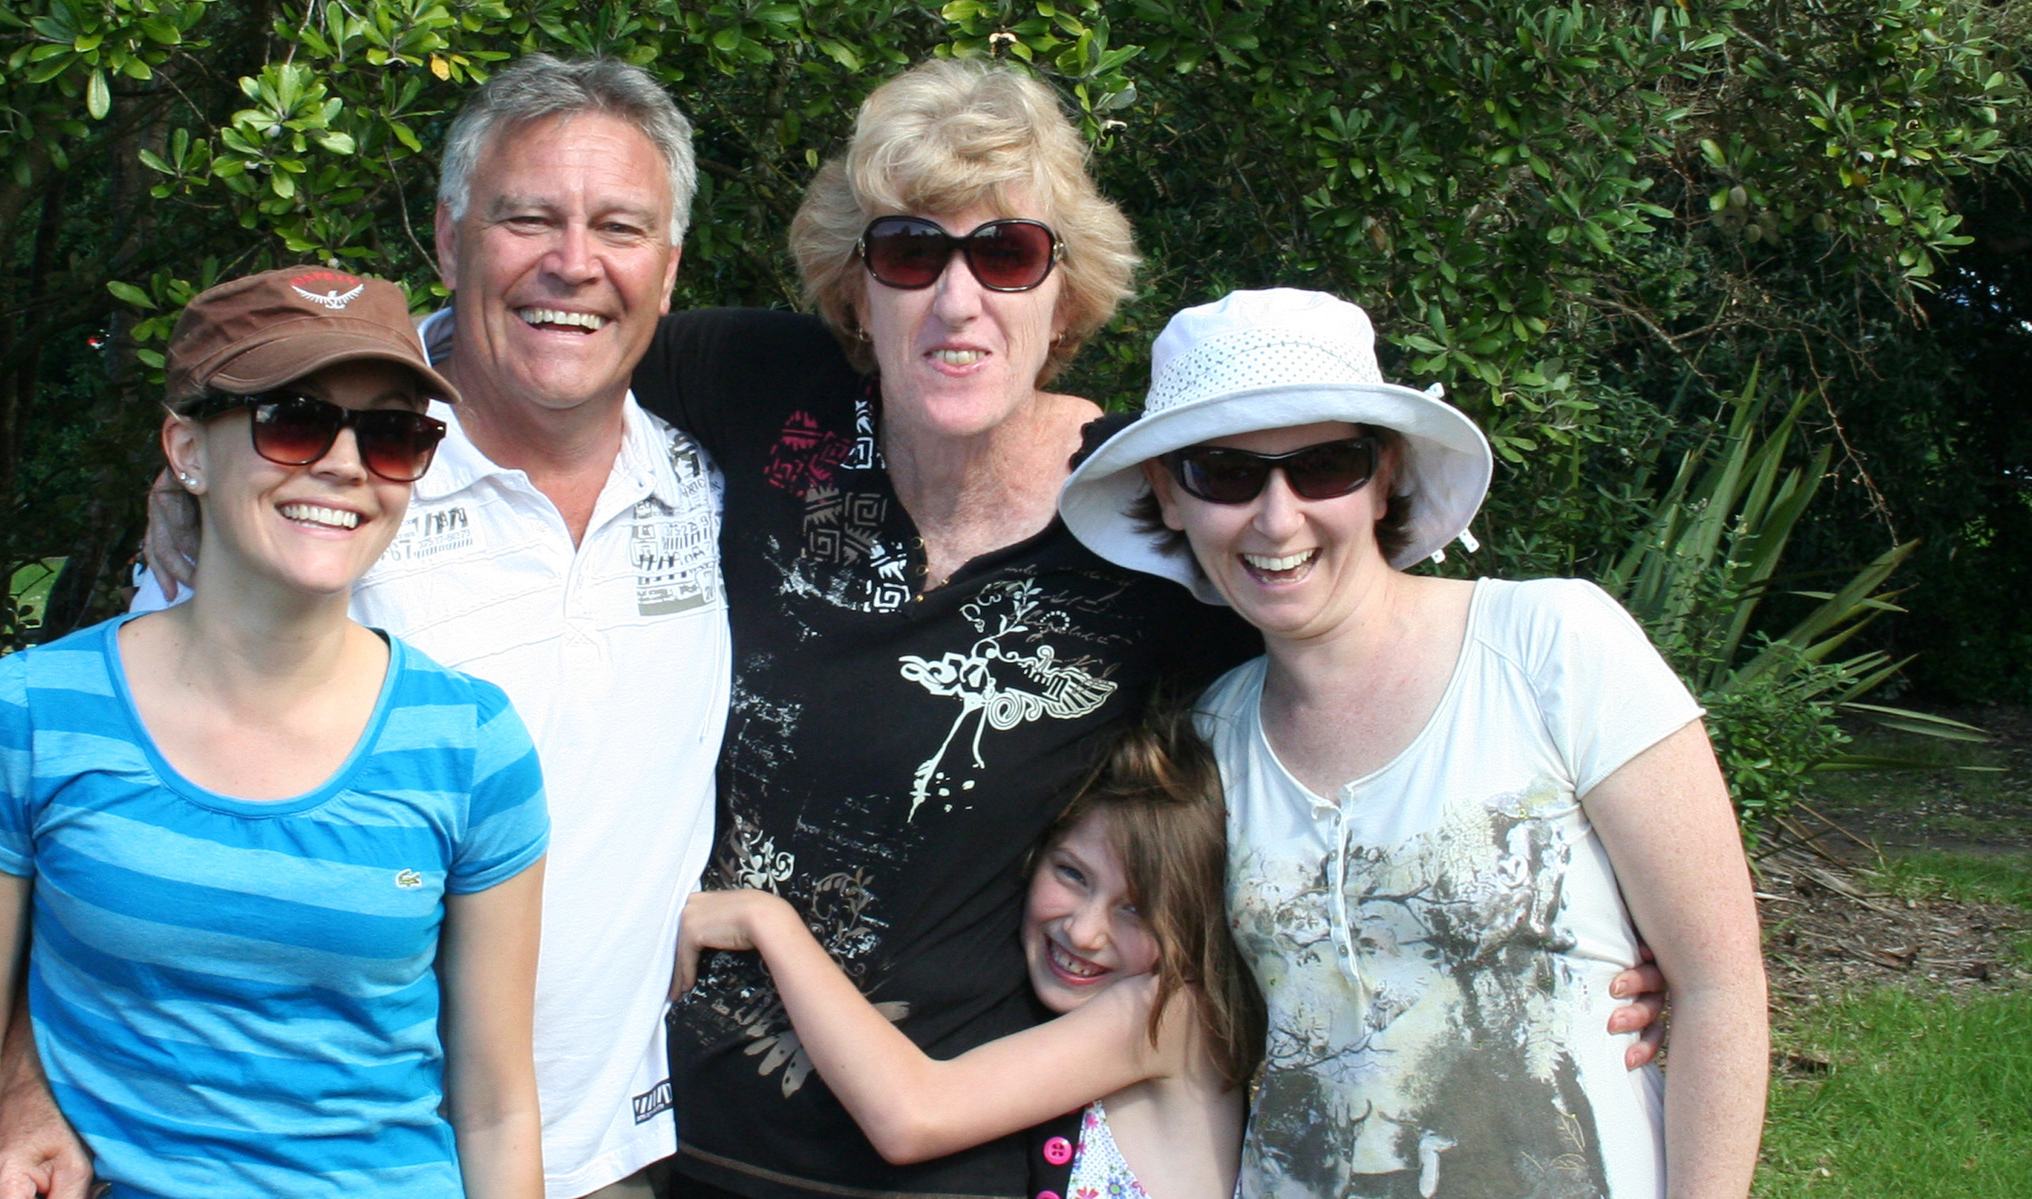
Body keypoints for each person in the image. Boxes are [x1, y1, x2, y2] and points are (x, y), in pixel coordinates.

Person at [630, 62, 1672, 1199]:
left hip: (945, 1164)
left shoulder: (1162, 513)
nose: (957, 297)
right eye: (911, 252)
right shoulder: (753, 385)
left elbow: (1354, 711)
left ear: (1063, 295)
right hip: (656, 1135)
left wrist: (1579, 930)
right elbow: (537, 359)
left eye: (1007, 253)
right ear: (855, 285)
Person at [0, 56, 725, 1199]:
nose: (573, 262)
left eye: (619, 227)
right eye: (527, 217)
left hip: (606, 1147)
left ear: (668, 271)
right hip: (301, 1160)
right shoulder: (320, 483)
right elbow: (112, 822)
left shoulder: (713, 485)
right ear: (450, 237)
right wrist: (33, 1078)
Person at [1058, 288, 1769, 1197]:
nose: (1277, 517)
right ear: (1168, 492)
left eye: (1324, 466)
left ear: (1385, 473)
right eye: (1225, 473)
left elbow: (1720, 985)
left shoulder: (1551, 647)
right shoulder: (1208, 743)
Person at [0, 268, 550, 1199]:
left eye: (390, 434)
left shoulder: (472, 743)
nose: (344, 464)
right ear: (189, 449)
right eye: (293, 421)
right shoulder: (28, 714)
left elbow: (497, 1107)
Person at [670, 708, 1259, 1199]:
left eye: (1137, 909)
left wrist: (770, 923)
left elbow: (912, 1117)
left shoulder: (1172, 1013)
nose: (1084, 932)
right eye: (1072, 874)